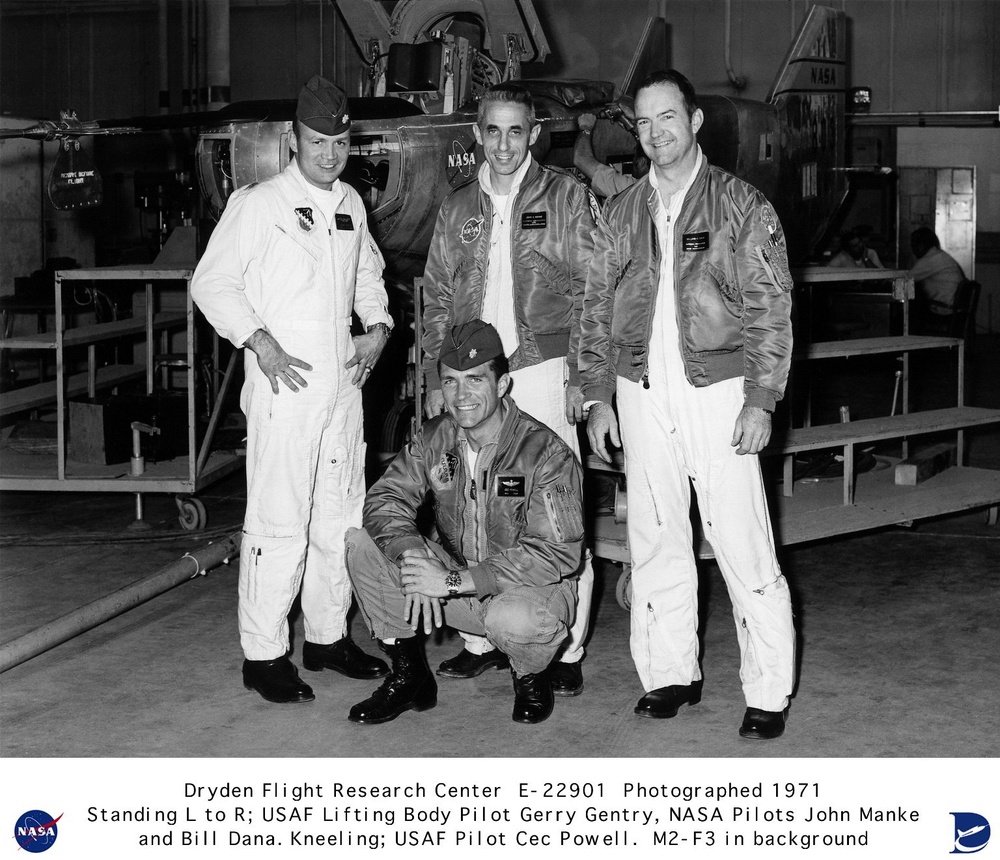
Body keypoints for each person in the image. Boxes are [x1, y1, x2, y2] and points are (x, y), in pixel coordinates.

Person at [580, 69, 796, 740]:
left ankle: (767, 691)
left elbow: (770, 306)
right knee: (655, 538)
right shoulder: (618, 213)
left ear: (695, 121)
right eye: (643, 123)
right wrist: (596, 395)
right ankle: (670, 674)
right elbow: (592, 307)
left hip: (720, 392)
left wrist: (761, 399)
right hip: (640, 390)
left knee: (742, 539)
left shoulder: (741, 205)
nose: (655, 133)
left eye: (667, 118)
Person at [191, 75, 394, 704]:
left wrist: (380, 328)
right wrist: (261, 341)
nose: (329, 153)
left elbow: (369, 276)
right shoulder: (258, 204)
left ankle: (329, 637)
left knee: (339, 517)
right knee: (279, 521)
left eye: (339, 141)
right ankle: (265, 652)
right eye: (316, 141)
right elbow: (211, 283)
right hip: (285, 390)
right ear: (291, 140)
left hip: (342, 388)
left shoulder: (351, 205)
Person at [420, 82, 596, 696]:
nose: (503, 143)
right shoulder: (457, 206)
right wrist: (439, 379)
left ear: (535, 133)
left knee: (553, 511)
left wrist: (583, 376)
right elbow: (438, 297)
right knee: (471, 505)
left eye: (515, 131)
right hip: (473, 379)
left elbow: (591, 292)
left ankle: (563, 647)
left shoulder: (567, 197)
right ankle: (481, 639)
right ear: (476, 133)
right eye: (492, 130)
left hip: (543, 368)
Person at [345, 320, 583, 725]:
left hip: (529, 593)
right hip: (460, 583)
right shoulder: (435, 438)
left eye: (475, 380)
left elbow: (556, 554)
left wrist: (450, 582)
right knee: (361, 544)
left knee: (514, 620)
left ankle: (528, 674)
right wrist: (415, 557)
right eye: (451, 382)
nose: (461, 396)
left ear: (502, 384)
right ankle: (410, 675)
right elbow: (385, 500)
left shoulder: (545, 453)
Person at [572, 112, 643, 198]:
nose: (633, 169)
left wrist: (586, 127)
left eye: (635, 163)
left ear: (642, 163)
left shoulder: (632, 188)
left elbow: (581, 159)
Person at [908, 226, 965, 316]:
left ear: (920, 246)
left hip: (943, 309)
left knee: (903, 312)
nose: (913, 252)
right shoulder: (939, 255)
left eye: (913, 246)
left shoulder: (930, 259)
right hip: (951, 308)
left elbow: (907, 278)